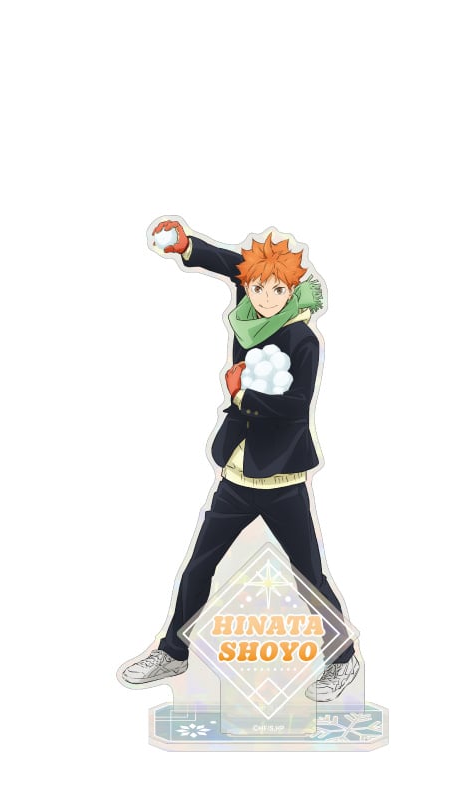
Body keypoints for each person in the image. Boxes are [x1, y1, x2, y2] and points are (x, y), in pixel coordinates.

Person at [121, 220, 359, 702]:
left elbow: (296, 407)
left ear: (291, 289)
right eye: (257, 287)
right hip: (236, 474)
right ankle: (173, 652)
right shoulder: (248, 311)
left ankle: (342, 658)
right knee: (199, 567)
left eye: (277, 290)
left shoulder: (302, 339)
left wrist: (243, 394)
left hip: (282, 479)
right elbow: (233, 264)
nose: (265, 298)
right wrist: (186, 246)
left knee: (308, 576)